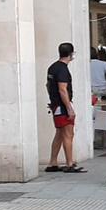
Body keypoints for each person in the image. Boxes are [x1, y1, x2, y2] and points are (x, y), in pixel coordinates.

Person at [44, 42, 85, 174]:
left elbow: (48, 85)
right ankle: (69, 163)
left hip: (56, 105)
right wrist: (69, 108)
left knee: (60, 134)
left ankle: (53, 162)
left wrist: (52, 99)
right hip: (62, 106)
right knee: (68, 134)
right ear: (71, 54)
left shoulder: (52, 67)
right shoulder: (63, 69)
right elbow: (63, 90)